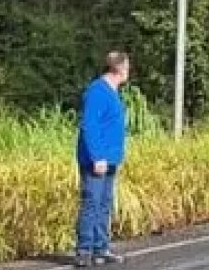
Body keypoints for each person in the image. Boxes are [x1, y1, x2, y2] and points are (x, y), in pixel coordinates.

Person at [74, 51, 130, 267]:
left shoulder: (112, 92)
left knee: (104, 204)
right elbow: (90, 126)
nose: (128, 71)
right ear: (119, 69)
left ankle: (100, 247)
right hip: (96, 160)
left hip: (110, 159)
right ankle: (84, 249)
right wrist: (97, 156)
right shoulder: (98, 92)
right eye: (127, 67)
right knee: (92, 203)